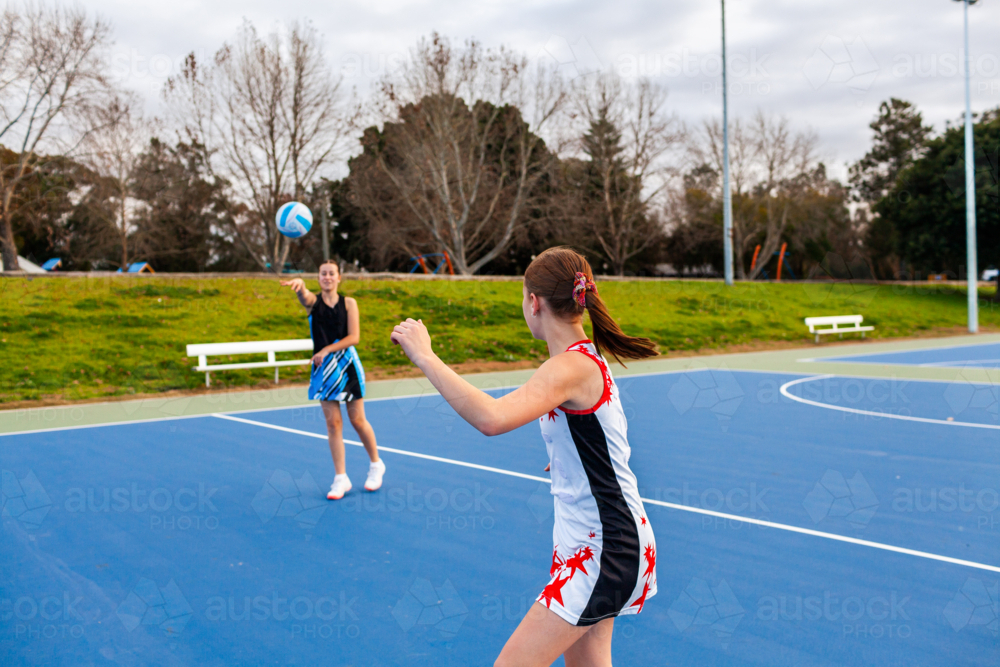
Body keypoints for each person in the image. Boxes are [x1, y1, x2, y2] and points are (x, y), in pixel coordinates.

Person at [390, 247, 657, 667]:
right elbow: (605, 439)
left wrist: (425, 355)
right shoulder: (584, 361)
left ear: (534, 302)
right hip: (599, 541)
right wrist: (571, 460)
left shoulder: (569, 367)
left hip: (604, 546)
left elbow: (492, 419)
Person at [281, 260, 384, 500]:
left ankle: (376, 464)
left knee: (357, 420)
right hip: (323, 370)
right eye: (323, 274)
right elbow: (305, 297)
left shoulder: (349, 303)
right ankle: (341, 478)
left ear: (339, 278)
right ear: (318, 278)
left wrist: (327, 349)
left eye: (331, 273)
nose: (327, 277)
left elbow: (354, 337)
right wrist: (299, 287)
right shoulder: (313, 303)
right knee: (333, 425)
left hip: (347, 366)